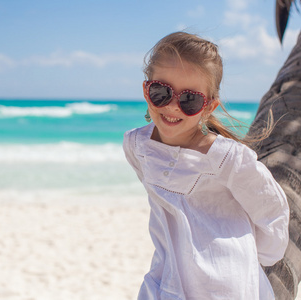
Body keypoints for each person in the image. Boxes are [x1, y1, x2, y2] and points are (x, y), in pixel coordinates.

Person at [123, 31, 289, 300]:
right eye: (161, 92)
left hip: (225, 285)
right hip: (165, 279)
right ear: (146, 90)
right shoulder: (137, 145)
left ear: (209, 106)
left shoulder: (228, 158)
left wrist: (248, 256)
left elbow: (272, 213)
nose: (173, 106)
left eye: (189, 100)